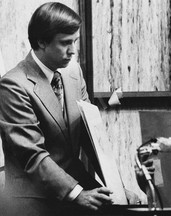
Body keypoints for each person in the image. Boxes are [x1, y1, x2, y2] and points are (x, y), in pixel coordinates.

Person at [0, 2, 114, 215]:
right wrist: (77, 193)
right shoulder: (13, 85)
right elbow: (32, 154)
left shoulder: (73, 72)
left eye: (75, 42)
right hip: (32, 203)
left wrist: (117, 188)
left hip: (75, 191)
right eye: (65, 43)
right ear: (42, 42)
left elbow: (91, 136)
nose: (73, 51)